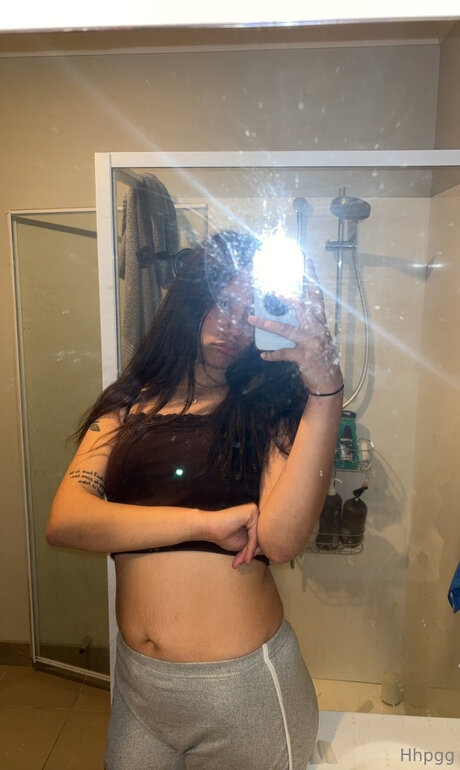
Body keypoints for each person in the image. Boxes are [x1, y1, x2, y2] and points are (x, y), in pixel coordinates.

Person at [46, 230, 344, 770]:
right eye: (220, 303)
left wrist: (325, 389)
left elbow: (280, 541)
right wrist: (203, 525)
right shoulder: (125, 407)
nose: (233, 325)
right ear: (186, 300)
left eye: (249, 311)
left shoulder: (265, 410)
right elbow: (67, 520)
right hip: (139, 689)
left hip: (244, 691)